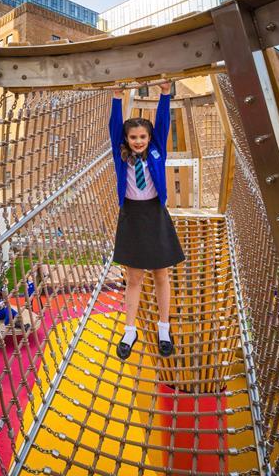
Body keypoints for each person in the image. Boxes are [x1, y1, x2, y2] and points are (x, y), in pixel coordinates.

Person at [109, 81, 185, 361]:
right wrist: (117, 98)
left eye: (142, 136)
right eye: (133, 137)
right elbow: (114, 128)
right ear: (126, 140)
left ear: (149, 138)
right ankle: (130, 330)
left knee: (161, 274)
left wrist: (165, 94)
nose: (138, 141)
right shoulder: (122, 156)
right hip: (131, 215)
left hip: (154, 214)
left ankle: (164, 328)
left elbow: (163, 123)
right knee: (134, 277)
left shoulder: (156, 151)